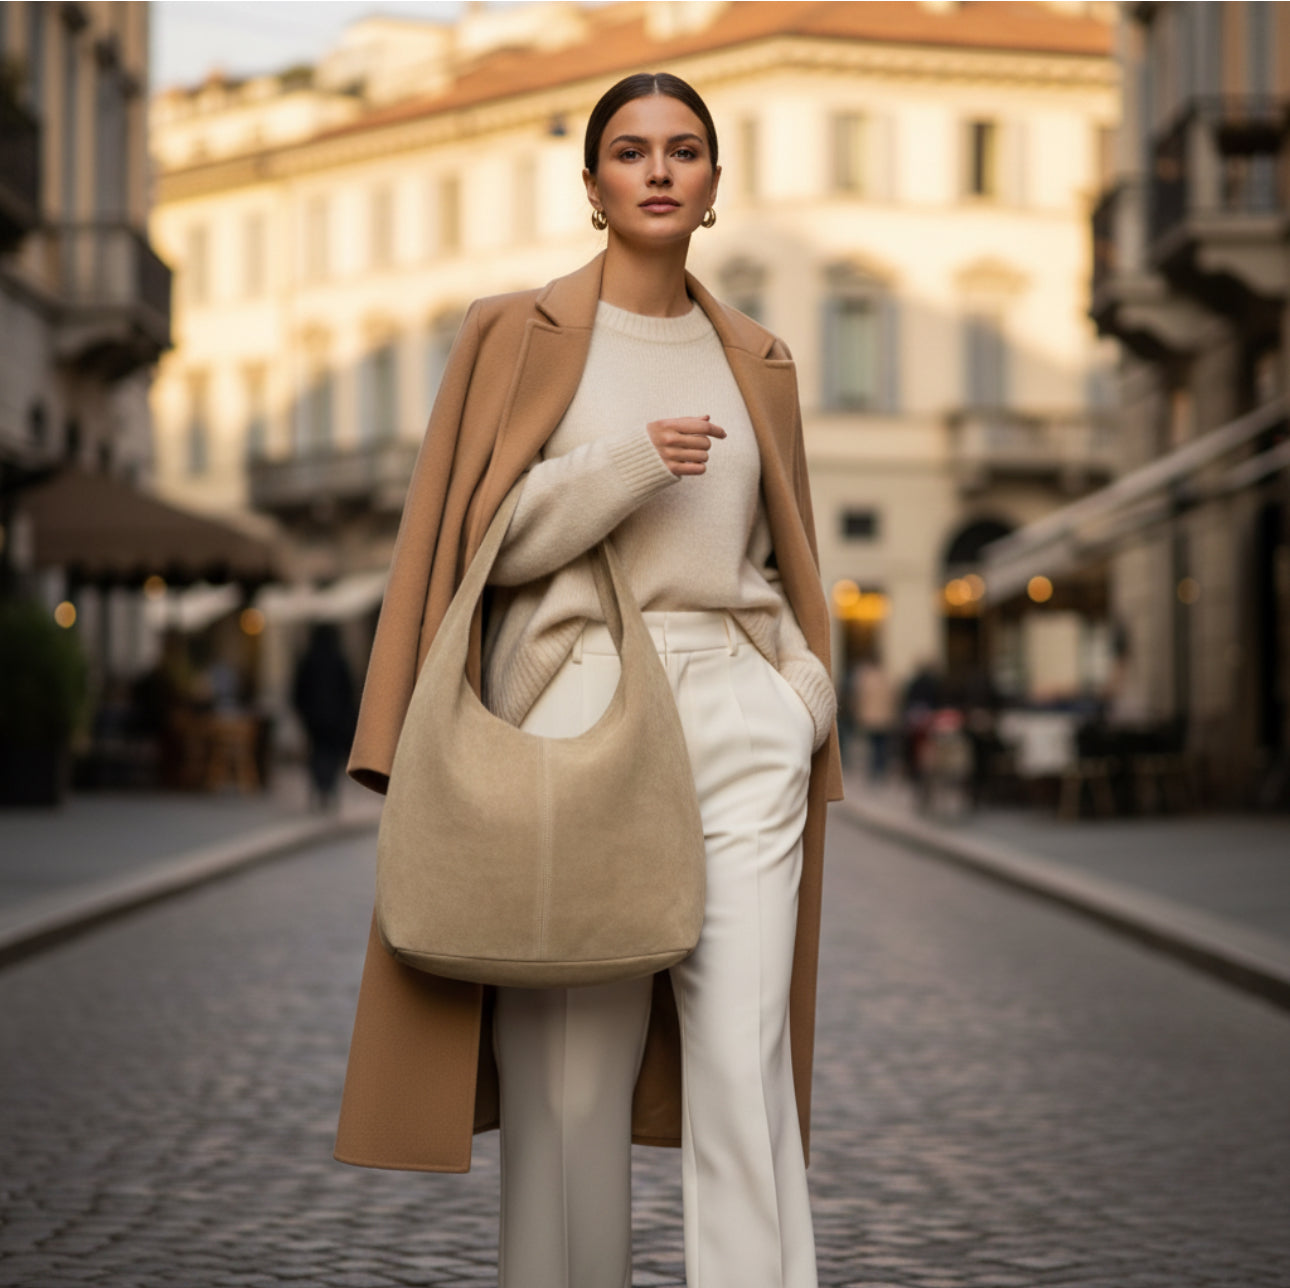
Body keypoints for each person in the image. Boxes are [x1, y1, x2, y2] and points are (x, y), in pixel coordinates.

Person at [332, 71, 845, 1288]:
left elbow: (781, 554)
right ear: (593, 185)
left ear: (715, 187)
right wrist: (623, 465)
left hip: (738, 707)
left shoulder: (759, 357)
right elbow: (477, 547)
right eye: (630, 151)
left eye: (684, 151)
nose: (659, 170)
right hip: (581, 705)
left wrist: (801, 693)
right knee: (573, 1078)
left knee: (744, 1057)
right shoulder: (514, 332)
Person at [291, 622, 356, 811]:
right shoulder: (339, 659)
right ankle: (329, 789)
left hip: (313, 718)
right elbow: (348, 690)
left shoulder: (308, 659)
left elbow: (298, 690)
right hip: (335, 718)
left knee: (316, 752)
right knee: (332, 753)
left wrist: (302, 712)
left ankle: (319, 788)